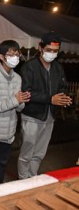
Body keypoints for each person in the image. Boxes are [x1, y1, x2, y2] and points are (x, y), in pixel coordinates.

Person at [18, 31, 72, 180]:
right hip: (32, 116)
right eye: (49, 50)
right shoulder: (29, 67)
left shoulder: (58, 68)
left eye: (55, 51)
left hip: (49, 117)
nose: (52, 54)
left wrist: (62, 97)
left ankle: (32, 178)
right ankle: (23, 181)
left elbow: (62, 86)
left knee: (39, 153)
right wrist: (50, 99)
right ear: (40, 47)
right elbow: (27, 92)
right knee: (26, 153)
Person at [0, 40, 31, 187]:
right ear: (1, 57)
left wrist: (22, 101)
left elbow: (19, 108)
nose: (15, 57)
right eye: (11, 54)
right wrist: (15, 100)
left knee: (1, 166)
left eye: (17, 54)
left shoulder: (18, 78)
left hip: (8, 133)